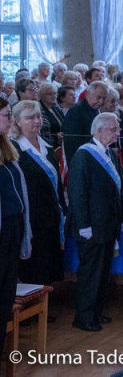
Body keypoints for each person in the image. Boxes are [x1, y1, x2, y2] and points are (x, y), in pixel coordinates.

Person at [67, 113, 123, 331]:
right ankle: (84, 316)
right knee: (90, 273)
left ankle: (96, 312)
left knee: (102, 272)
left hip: (108, 224)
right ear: (99, 131)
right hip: (91, 226)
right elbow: (77, 192)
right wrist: (84, 226)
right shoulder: (84, 155)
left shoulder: (110, 154)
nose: (117, 133)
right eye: (113, 129)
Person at [10, 101, 64, 286]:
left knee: (48, 265)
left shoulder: (47, 147)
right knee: (34, 268)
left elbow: (57, 183)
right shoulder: (15, 149)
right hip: (30, 218)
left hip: (50, 216)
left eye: (38, 116)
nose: (36, 121)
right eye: (30, 118)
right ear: (17, 122)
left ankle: (46, 301)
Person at [0, 97, 32, 351]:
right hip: (2, 229)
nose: (11, 120)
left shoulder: (6, 148)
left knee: (5, 292)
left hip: (12, 227)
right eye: (6, 115)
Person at [63, 81, 108, 165]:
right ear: (88, 94)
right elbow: (72, 143)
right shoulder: (76, 111)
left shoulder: (95, 109)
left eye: (104, 98)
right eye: (98, 97)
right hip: (82, 160)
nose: (101, 101)